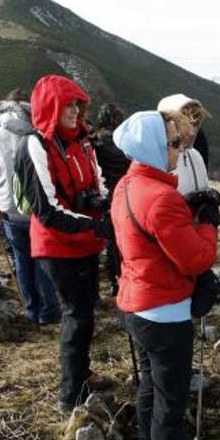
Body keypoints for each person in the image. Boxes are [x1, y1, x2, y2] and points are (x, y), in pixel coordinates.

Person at [112, 110, 219, 440]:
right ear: (155, 148)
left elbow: (150, 239)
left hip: (136, 304)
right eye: (173, 143)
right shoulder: (161, 197)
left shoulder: (127, 184)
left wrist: (186, 214)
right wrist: (206, 224)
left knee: (149, 385)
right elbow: (196, 259)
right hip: (164, 313)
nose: (179, 149)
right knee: (170, 406)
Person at [14, 75, 108, 413]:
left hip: (86, 241)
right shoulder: (35, 144)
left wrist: (104, 209)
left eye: (77, 104)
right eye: (67, 104)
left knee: (85, 313)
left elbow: (99, 188)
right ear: (50, 106)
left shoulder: (83, 142)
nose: (73, 110)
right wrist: (99, 224)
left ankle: (82, 375)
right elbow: (47, 209)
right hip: (57, 244)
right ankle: (71, 395)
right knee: (76, 315)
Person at [0, 89, 61, 324]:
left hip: (10, 209)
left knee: (22, 261)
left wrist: (2, 188)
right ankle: (48, 311)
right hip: (38, 209)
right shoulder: (39, 135)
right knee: (43, 259)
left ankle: (31, 309)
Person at [91, 103, 131, 296]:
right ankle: (124, 277)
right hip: (126, 194)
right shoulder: (125, 142)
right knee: (124, 240)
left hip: (105, 196)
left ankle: (115, 281)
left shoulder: (94, 144)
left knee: (112, 241)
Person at [157, 94, 211, 195]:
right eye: (185, 124)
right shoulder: (155, 160)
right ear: (168, 123)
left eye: (195, 124)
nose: (192, 132)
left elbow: (204, 186)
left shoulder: (196, 156)